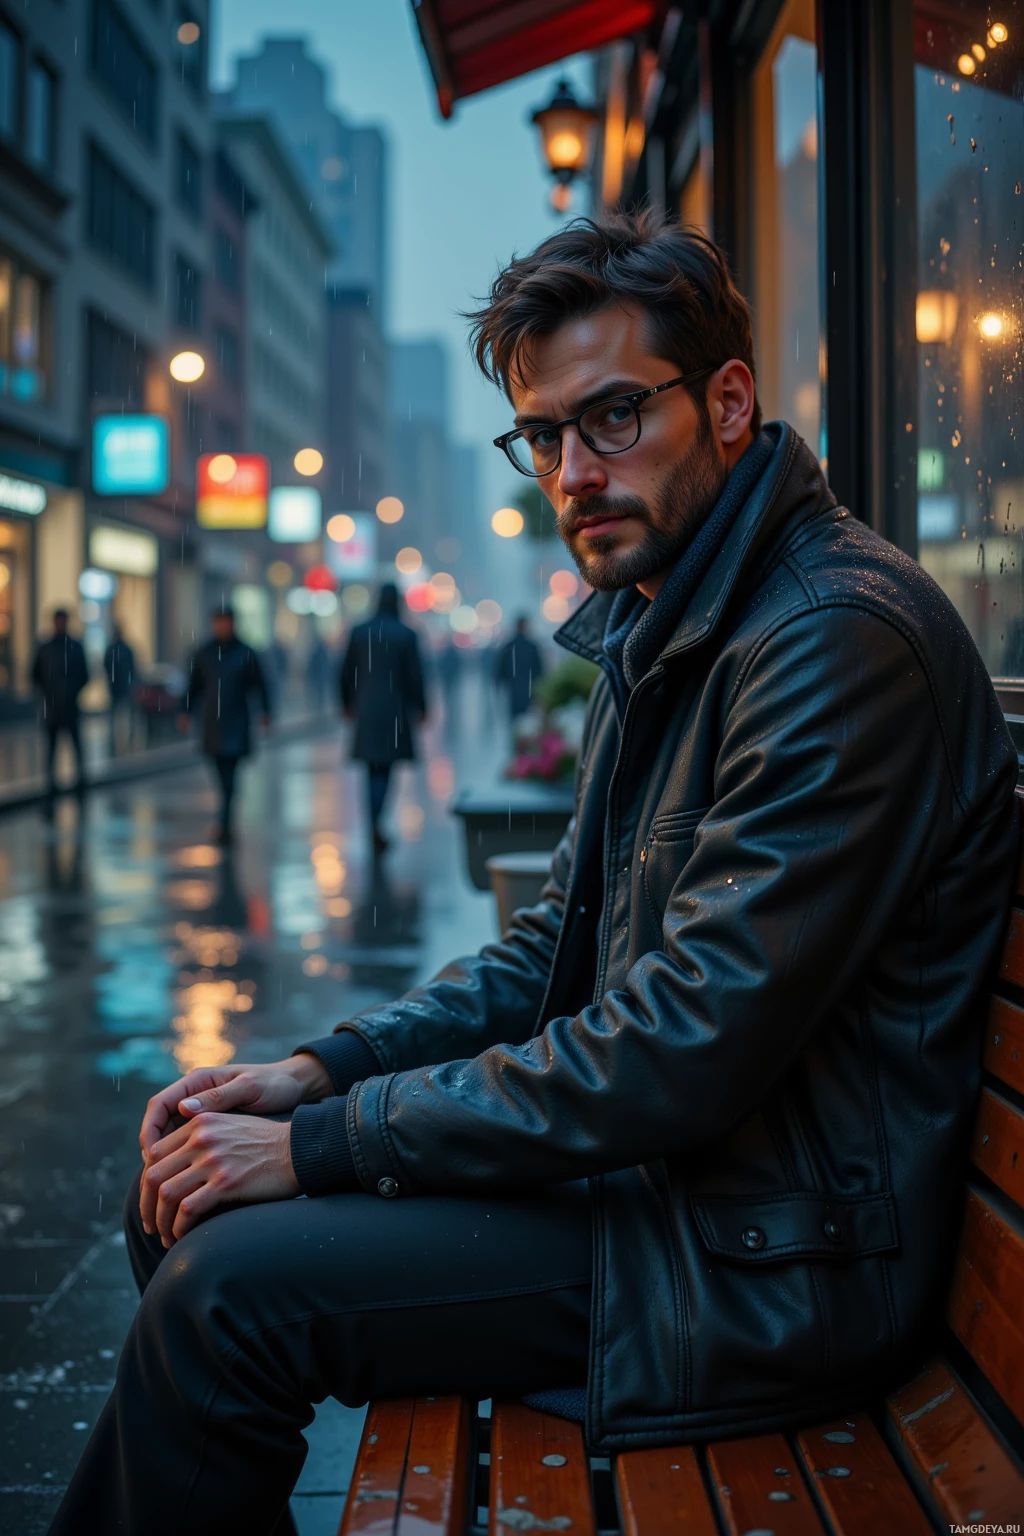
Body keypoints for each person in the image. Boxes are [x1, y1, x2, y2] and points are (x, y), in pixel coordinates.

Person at [52, 212, 1020, 1536]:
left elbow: (681, 1043)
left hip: (767, 1261)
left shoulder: (830, 641)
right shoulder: (671, 613)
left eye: (612, 417)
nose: (572, 472)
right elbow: (548, 946)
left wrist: (327, 1146)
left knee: (221, 1296)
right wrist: (323, 1071)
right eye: (544, 437)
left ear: (728, 402)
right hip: (680, 1192)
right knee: (180, 1206)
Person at [339, 582, 426, 855]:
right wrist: (421, 707)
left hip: (366, 710)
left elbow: (345, 672)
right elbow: (415, 676)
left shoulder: (359, 632)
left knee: (371, 770)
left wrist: (347, 703)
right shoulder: (406, 635)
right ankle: (376, 822)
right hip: (395, 712)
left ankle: (373, 822)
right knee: (385, 771)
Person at [179, 607, 271, 844]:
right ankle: (225, 817)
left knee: (230, 776)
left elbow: (260, 685)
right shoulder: (205, 653)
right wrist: (185, 712)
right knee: (220, 774)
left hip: (236, 721)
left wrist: (265, 712)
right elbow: (193, 686)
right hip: (212, 723)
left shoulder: (246, 653)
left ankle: (225, 821)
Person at [31, 608, 88, 804]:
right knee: (51, 748)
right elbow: (35, 675)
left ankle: (80, 782)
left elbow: (84, 674)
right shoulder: (46, 648)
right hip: (53, 707)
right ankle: (51, 785)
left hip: (70, 707)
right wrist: (48, 694)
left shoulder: (75, 647)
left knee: (76, 746)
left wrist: (71, 692)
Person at [494, 614, 543, 725]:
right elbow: (539, 670)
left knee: (515, 721)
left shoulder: (509, 646)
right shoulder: (532, 646)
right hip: (530, 690)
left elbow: (500, 670)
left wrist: (500, 685)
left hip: (514, 690)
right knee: (529, 721)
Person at [103, 624, 136, 755]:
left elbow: (132, 668)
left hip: (122, 686)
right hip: (117, 686)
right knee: (117, 714)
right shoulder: (115, 649)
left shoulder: (120, 649)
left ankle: (127, 737)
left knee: (125, 713)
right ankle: (117, 738)